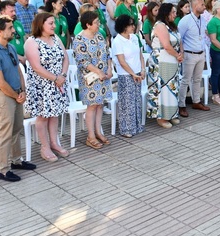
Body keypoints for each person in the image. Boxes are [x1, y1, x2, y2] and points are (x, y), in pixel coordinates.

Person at [0, 15, 36, 182]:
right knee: (5, 133)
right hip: (3, 97)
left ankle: (16, 161)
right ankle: (3, 170)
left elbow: (18, 70)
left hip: (16, 94)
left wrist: (23, 91)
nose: (13, 30)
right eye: (10, 28)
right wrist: (16, 96)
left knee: (16, 128)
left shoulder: (10, 47)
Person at [24, 12, 70, 162]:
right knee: (43, 116)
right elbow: (36, 67)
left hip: (58, 84)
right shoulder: (32, 42)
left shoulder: (55, 38)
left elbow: (65, 58)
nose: (54, 26)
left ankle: (54, 142)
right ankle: (45, 146)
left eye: (54, 23)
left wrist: (62, 75)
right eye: (50, 23)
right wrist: (56, 78)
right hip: (41, 87)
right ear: (40, 24)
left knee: (54, 114)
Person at [73, 11, 113, 149]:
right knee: (92, 105)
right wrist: (99, 72)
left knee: (100, 104)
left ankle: (98, 131)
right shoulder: (79, 39)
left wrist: (109, 69)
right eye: (96, 22)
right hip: (90, 79)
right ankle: (90, 136)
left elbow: (107, 53)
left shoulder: (99, 36)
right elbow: (82, 61)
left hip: (103, 77)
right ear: (88, 25)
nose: (98, 25)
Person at [146, 4, 183, 128]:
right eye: (173, 12)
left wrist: (181, 53)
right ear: (166, 13)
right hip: (161, 61)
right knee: (162, 89)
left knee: (172, 88)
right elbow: (166, 45)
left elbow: (179, 40)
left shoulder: (172, 26)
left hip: (172, 60)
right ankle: (161, 117)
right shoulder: (160, 26)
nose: (175, 14)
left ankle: (171, 114)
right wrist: (178, 55)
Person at [177, 0, 211, 117]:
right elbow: (179, 37)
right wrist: (181, 52)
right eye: (202, 5)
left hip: (200, 53)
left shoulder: (202, 19)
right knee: (185, 80)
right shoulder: (185, 21)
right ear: (196, 6)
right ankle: (181, 105)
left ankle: (196, 101)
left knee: (197, 79)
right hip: (189, 54)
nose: (204, 7)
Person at [112, 14, 145, 137]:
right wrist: (132, 74)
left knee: (136, 100)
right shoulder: (118, 41)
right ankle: (126, 128)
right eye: (131, 24)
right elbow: (121, 61)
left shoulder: (135, 37)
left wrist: (142, 69)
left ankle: (136, 125)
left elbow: (140, 55)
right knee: (127, 102)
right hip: (126, 75)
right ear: (124, 27)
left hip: (137, 73)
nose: (133, 26)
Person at [0, 1, 27, 65]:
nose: (14, 13)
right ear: (3, 12)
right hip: (10, 60)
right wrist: (19, 57)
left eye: (15, 11)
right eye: (11, 11)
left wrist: (25, 56)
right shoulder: (0, 28)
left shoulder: (18, 23)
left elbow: (24, 40)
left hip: (24, 58)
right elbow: (3, 47)